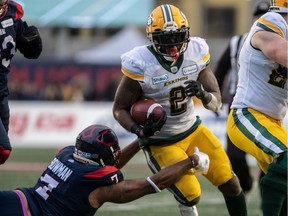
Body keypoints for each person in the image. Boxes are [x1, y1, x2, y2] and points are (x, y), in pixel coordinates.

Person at [113, 4, 247, 216]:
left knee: (231, 183)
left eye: (178, 37)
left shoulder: (197, 51)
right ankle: (186, 205)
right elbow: (119, 109)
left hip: (193, 130)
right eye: (166, 40)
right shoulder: (139, 62)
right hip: (161, 141)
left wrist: (202, 94)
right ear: (153, 38)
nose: (173, 46)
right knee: (192, 194)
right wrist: (139, 131)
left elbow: (216, 103)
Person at [0, 124, 210, 216]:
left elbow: (107, 165)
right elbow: (153, 183)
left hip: (17, 199)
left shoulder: (66, 154)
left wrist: (141, 141)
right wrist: (190, 161)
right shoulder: (95, 185)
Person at [226, 0, 287, 215]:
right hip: (247, 114)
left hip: (273, 122)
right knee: (286, 158)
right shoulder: (271, 21)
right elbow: (281, 52)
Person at [214, 1, 269, 196]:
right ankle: (246, 185)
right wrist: (214, 95)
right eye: (258, 15)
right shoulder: (237, 42)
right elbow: (220, 69)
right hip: (238, 104)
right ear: (253, 18)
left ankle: (267, 187)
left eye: (266, 14)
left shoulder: (281, 42)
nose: (262, 18)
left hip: (268, 107)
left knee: (269, 152)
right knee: (234, 153)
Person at [0, 0, 42, 164]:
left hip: (2, 92)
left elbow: (31, 52)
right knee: (2, 149)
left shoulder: (12, 12)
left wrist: (32, 44)